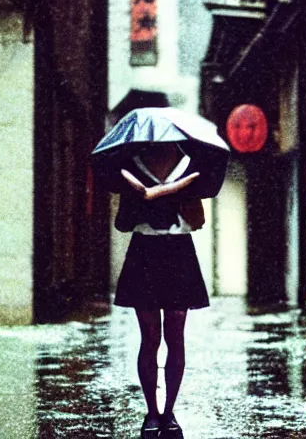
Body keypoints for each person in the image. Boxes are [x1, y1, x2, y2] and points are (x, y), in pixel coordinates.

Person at [113, 142, 209, 439]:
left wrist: (181, 196)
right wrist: (140, 197)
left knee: (175, 336)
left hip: (179, 251)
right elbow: (122, 223)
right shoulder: (133, 167)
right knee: (150, 337)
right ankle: (152, 412)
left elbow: (198, 221)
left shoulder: (188, 166)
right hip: (145, 252)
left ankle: (169, 412)